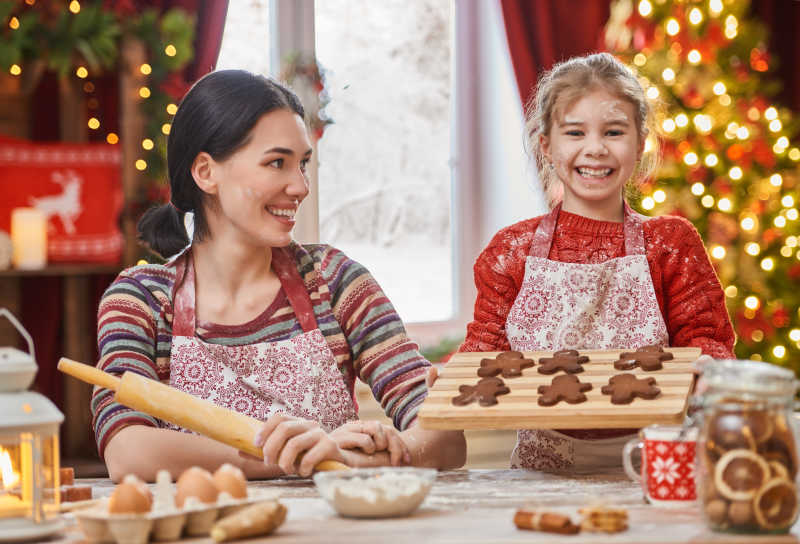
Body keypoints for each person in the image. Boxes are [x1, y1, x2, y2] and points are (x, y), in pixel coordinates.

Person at [92, 70, 466, 482]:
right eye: (277, 163)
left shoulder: (333, 281)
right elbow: (127, 451)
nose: (301, 186)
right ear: (205, 172)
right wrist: (290, 456)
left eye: (303, 164)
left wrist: (358, 458)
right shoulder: (141, 300)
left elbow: (444, 436)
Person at [459, 52, 735, 471]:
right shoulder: (511, 249)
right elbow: (486, 352)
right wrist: (448, 376)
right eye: (575, 132)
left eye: (613, 131)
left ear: (640, 143)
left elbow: (706, 339)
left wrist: (707, 363)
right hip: (542, 470)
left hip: (654, 461)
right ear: (547, 146)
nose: (595, 149)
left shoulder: (670, 244)